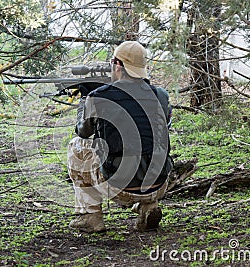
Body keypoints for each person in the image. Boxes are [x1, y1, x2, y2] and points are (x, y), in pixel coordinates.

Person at [67, 41, 172, 233]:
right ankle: (148, 206)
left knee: (76, 146)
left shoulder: (99, 96)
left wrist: (85, 99)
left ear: (117, 64)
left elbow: (83, 132)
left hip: (119, 189)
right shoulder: (161, 96)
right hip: (160, 184)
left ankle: (90, 216)